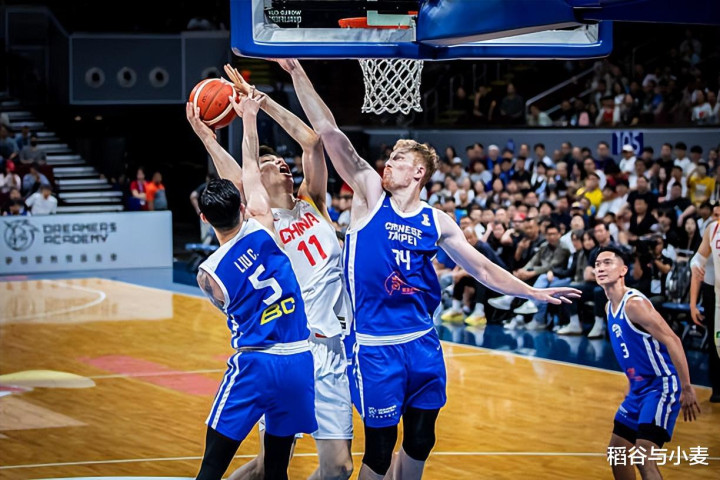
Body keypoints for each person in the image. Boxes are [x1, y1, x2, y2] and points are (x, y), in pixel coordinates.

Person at [277, 58, 580, 480]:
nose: (388, 162)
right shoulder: (369, 196)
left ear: (419, 172)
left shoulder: (437, 221)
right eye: (390, 157)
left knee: (421, 439)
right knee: (379, 450)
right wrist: (297, 73)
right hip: (375, 345)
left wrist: (531, 292)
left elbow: (483, 269)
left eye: (398, 158)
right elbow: (329, 132)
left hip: (422, 341)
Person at [188, 66, 354, 480]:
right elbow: (237, 172)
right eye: (268, 162)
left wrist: (261, 103)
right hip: (289, 346)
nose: (281, 161)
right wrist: (209, 137)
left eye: (281, 160)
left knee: (338, 468)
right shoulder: (260, 223)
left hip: (331, 349)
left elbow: (311, 141)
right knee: (268, 468)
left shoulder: (313, 201)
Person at [193, 93, 316, 480]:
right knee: (276, 470)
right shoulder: (263, 225)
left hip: (257, 361)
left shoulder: (208, 274)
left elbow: (229, 302)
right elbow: (248, 171)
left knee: (212, 465)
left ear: (203, 218)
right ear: (243, 208)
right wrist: (248, 118)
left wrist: (205, 135)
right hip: (299, 359)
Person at [594, 246, 700, 480]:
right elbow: (630, 351)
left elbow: (672, 339)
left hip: (662, 385)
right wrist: (631, 383)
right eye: (597, 264)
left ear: (623, 270)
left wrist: (686, 387)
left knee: (643, 455)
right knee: (617, 451)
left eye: (607, 263)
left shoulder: (634, 304)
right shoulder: (608, 307)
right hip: (639, 389)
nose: (600, 268)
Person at [689, 215, 720, 403]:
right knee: (716, 343)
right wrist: (693, 304)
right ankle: (717, 387)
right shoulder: (713, 229)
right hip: (714, 295)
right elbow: (697, 261)